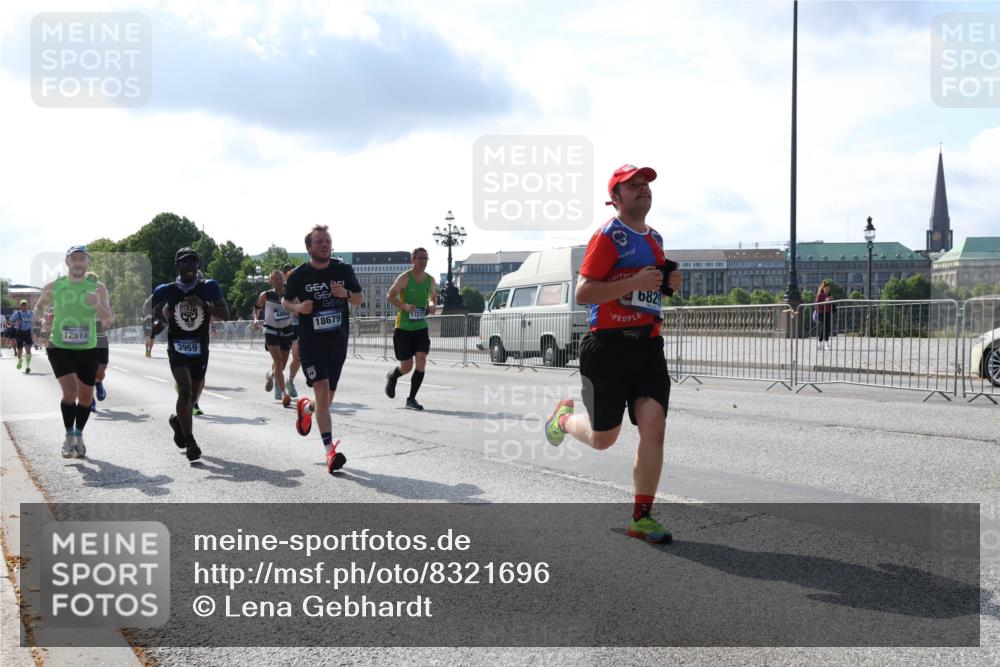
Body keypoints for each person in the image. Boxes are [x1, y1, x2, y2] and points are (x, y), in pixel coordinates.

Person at [544, 164, 681, 544]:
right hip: (607, 346)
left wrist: (669, 283)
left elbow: (649, 291)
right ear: (616, 198)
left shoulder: (655, 239)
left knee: (655, 427)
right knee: (604, 438)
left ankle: (642, 516)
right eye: (633, 186)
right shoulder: (608, 236)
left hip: (648, 346)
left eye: (646, 185)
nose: (643, 190)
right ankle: (564, 420)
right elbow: (584, 292)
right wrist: (636, 282)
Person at [282, 225, 362, 475]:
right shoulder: (298, 275)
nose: (325, 245)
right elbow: (285, 301)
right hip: (311, 342)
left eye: (328, 241)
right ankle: (330, 451)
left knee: (325, 401)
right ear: (309, 247)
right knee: (322, 391)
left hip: (337, 342)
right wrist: (298, 309)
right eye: (319, 242)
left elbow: (359, 298)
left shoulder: (343, 269)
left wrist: (346, 293)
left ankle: (306, 409)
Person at [31, 246, 115, 458]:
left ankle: (79, 434)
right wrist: (42, 324)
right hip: (59, 346)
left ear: (88, 263)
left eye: (82, 259)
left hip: (88, 349)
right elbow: (39, 308)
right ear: (67, 262)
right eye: (74, 258)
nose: (78, 262)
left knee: (86, 398)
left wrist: (97, 306)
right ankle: (69, 436)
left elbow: (108, 321)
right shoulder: (54, 287)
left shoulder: (98, 288)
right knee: (70, 392)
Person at [151, 248, 229, 461]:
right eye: (185, 262)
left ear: (198, 267)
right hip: (177, 347)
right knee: (184, 391)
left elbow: (225, 314)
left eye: (194, 262)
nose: (190, 266)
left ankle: (178, 421)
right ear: (178, 265)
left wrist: (203, 305)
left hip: (200, 348)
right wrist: (156, 322)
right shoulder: (167, 290)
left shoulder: (209, 287)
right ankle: (191, 442)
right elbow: (147, 306)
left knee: (192, 397)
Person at [384, 247, 437, 410]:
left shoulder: (430, 280)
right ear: (412, 260)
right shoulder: (404, 278)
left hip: (421, 327)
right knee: (406, 367)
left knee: (421, 361)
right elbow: (390, 296)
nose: (423, 261)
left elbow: (432, 298)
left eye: (426, 258)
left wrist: (432, 305)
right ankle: (393, 376)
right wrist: (404, 306)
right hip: (404, 328)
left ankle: (411, 399)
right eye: (420, 258)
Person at [252, 269, 295, 406]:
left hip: (287, 330)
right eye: (275, 279)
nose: (279, 281)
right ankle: (284, 394)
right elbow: (257, 307)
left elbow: (298, 304)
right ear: (271, 281)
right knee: (277, 362)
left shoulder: (290, 293)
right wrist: (255, 319)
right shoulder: (266, 295)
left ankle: (270, 375)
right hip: (271, 330)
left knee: (281, 366)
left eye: (280, 278)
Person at [84, 273, 110, 411]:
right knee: (87, 372)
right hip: (85, 338)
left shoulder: (102, 298)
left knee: (100, 373)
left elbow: (109, 319)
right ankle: (90, 400)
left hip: (100, 338)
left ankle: (99, 383)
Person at [282, 263, 301, 399]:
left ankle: (290, 381)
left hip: (295, 326)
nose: (289, 274)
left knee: (297, 357)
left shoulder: (299, 287)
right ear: (284, 274)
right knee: (280, 362)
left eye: (291, 272)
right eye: (287, 272)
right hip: (281, 328)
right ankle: (274, 377)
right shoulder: (280, 288)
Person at [9, 299, 35, 372]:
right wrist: (16, 322)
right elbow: (10, 322)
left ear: (27, 305)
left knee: (28, 350)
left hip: (28, 332)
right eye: (22, 304)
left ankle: (28, 366)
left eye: (25, 304)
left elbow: (36, 320)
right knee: (19, 351)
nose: (24, 306)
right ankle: (20, 360)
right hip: (20, 332)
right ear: (20, 306)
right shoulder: (17, 313)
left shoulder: (31, 312)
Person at [815, 280, 833, 350]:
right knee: (825, 327)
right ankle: (823, 343)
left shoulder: (829, 294)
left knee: (827, 328)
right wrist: (825, 301)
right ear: (823, 288)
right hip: (821, 312)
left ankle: (822, 343)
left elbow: (831, 303)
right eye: (826, 288)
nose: (828, 289)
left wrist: (831, 300)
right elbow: (817, 304)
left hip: (828, 312)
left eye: (829, 288)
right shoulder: (820, 295)